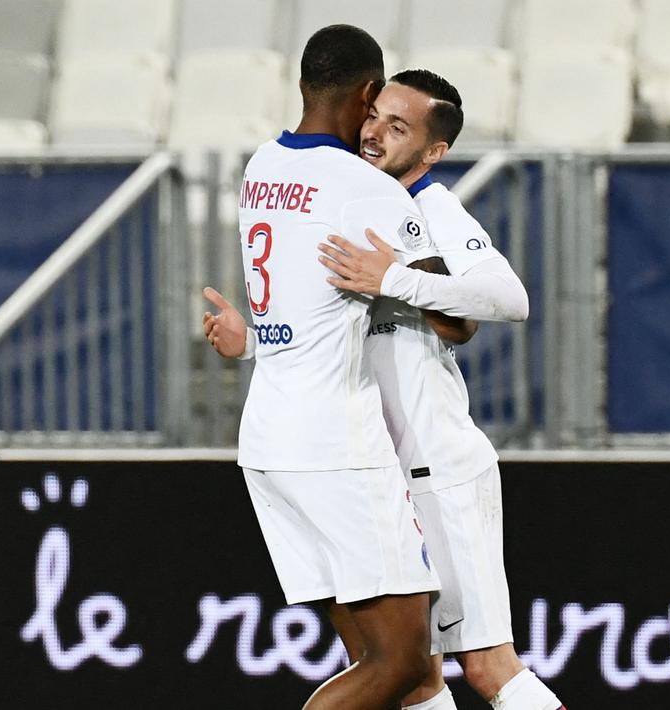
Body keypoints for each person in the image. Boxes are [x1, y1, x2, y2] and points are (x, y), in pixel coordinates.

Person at [206, 70, 566, 710]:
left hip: (438, 467)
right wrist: (253, 342)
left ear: (433, 151)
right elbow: (343, 332)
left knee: (489, 669)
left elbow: (507, 299)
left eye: (398, 127)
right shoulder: (350, 199)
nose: (373, 132)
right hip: (372, 467)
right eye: (374, 115)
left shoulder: (433, 206)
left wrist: (395, 277)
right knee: (412, 678)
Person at [221, 25, 450, 709]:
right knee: (401, 659)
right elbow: (454, 316)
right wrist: (397, 275)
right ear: (368, 93)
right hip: (335, 442)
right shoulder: (363, 186)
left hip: (269, 435)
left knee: (393, 673)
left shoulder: (262, 165)